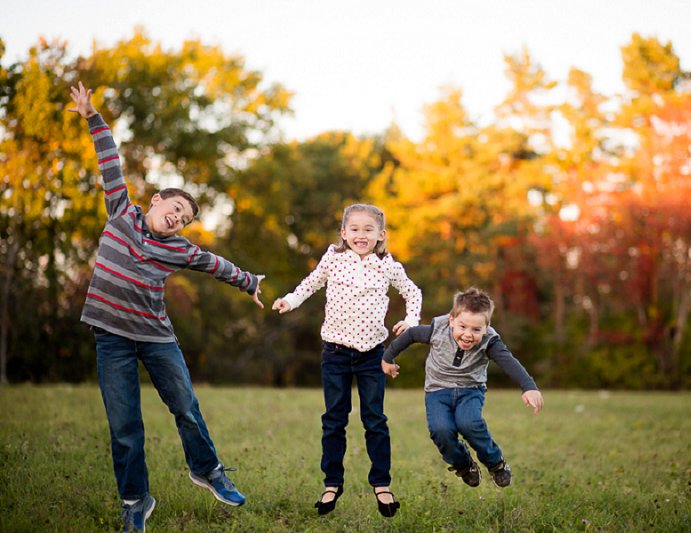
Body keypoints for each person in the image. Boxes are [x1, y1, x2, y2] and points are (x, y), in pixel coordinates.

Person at [69, 82, 263, 533]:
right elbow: (110, 161)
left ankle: (207, 469)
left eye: (186, 218)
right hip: (111, 339)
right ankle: (136, 501)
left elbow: (215, 264)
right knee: (124, 426)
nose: (177, 219)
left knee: (186, 406)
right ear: (155, 200)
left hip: (157, 338)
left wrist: (249, 281)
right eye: (175, 208)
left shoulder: (178, 249)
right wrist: (92, 116)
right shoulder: (121, 212)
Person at [272, 203, 422, 517]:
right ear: (344, 232)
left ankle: (381, 484)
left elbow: (412, 291)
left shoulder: (387, 265)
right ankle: (332, 483)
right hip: (336, 353)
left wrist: (411, 319)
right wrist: (290, 300)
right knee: (334, 419)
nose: (361, 235)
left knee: (375, 420)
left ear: (381, 235)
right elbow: (311, 283)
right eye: (354, 229)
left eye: (368, 230)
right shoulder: (334, 259)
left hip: (372, 355)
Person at [381, 287, 543, 488]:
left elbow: (508, 361)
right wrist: (388, 358)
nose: (468, 335)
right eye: (463, 327)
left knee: (469, 423)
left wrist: (528, 386)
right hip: (437, 391)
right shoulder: (437, 329)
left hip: (470, 390)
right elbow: (411, 334)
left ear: (486, 327)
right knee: (441, 430)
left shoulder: (490, 342)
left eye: (476, 330)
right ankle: (464, 465)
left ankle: (496, 463)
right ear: (451, 320)